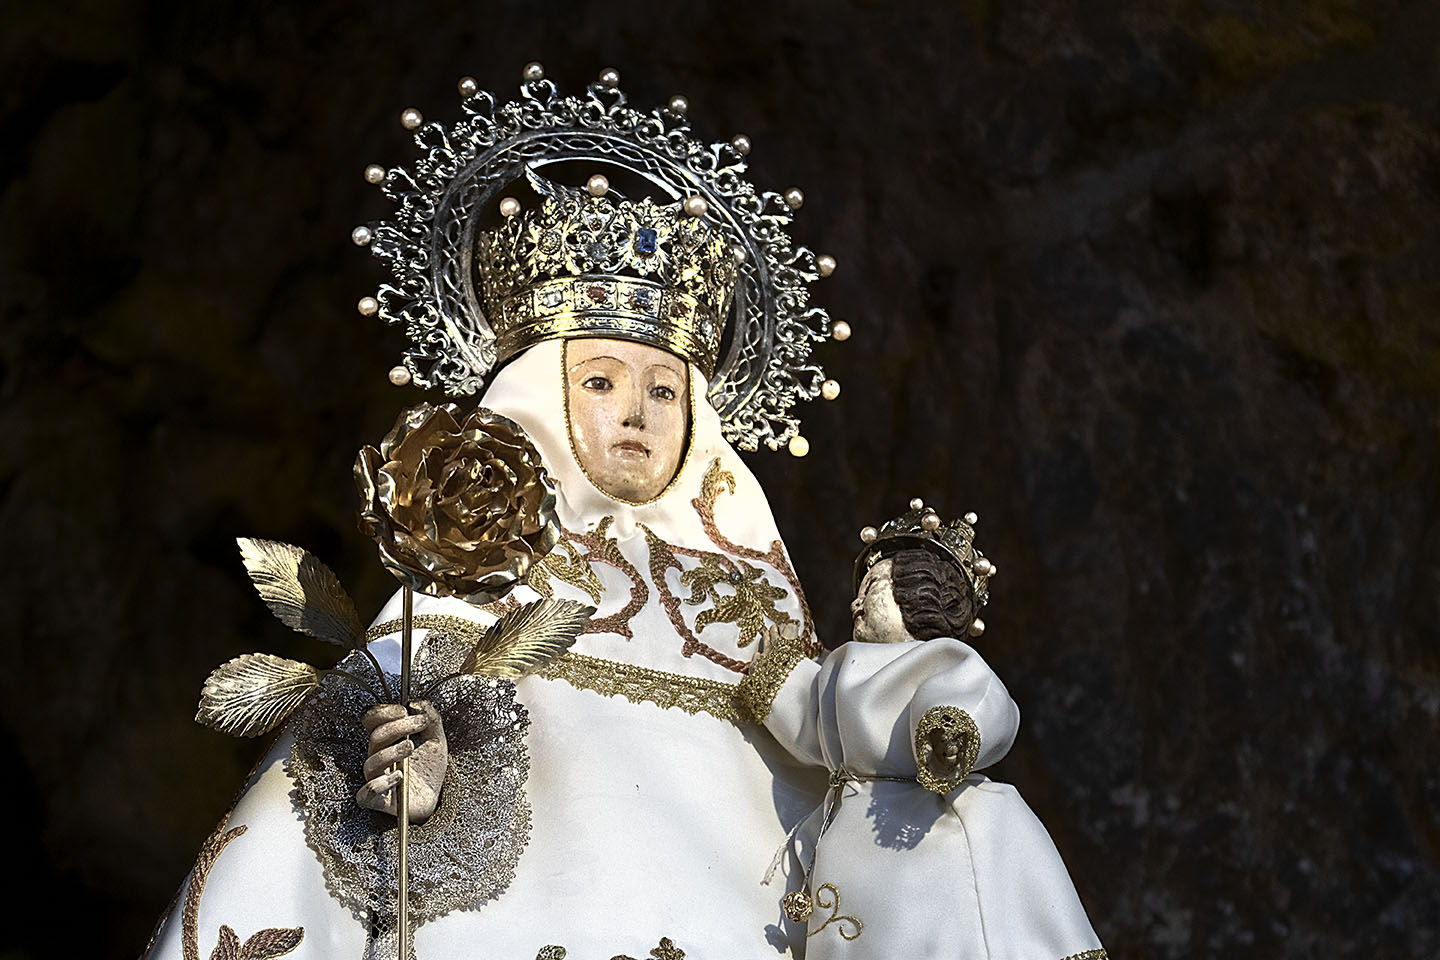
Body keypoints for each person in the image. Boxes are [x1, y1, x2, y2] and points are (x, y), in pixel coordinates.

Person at [145, 164, 831, 958]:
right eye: (601, 382)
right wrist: (413, 778)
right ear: (543, 396)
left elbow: (837, 790)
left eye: (664, 392)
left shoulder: (750, 607)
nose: (636, 414)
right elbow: (361, 794)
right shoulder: (473, 581)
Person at [737, 505, 1106, 959]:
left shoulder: (941, 659)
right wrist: (778, 679)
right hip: (849, 836)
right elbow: (813, 721)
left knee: (936, 925)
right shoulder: (838, 668)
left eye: (872, 588)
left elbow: (977, 698)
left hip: (925, 827)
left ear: (917, 596)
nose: (855, 604)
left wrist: (947, 735)